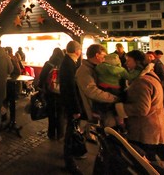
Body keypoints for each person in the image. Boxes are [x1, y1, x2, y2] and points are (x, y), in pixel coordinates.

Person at [115, 50, 164, 159]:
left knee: (144, 162)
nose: (126, 63)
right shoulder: (150, 76)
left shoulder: (142, 81)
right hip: (153, 128)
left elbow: (141, 109)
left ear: (137, 62)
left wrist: (118, 107)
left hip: (145, 131)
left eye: (129, 61)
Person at [76, 44, 118, 127]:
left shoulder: (94, 68)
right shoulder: (85, 70)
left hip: (101, 109)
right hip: (94, 112)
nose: (105, 59)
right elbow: (92, 91)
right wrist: (113, 98)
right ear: (97, 55)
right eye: (104, 56)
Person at [59, 41, 84, 174]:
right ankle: (69, 161)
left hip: (68, 102)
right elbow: (70, 89)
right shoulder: (69, 64)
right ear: (77, 51)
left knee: (71, 130)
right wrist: (75, 108)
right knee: (70, 132)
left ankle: (69, 156)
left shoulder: (68, 62)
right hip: (70, 104)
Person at [38, 47, 65, 140]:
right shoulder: (64, 65)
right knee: (61, 113)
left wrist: (41, 89)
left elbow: (42, 77)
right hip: (61, 93)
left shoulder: (48, 64)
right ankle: (61, 134)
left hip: (49, 92)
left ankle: (51, 133)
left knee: (51, 113)